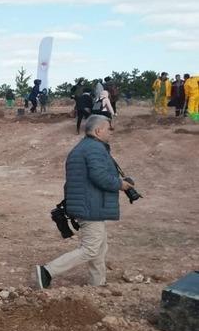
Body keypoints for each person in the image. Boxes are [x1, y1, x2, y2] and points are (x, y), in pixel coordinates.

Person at [34, 115, 133, 289]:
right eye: (109, 128)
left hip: (88, 204)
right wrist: (121, 184)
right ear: (98, 130)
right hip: (91, 206)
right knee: (90, 248)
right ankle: (47, 271)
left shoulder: (83, 148)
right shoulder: (94, 149)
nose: (111, 132)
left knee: (100, 247)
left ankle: (97, 284)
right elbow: (99, 176)